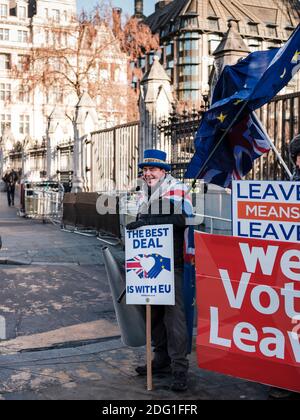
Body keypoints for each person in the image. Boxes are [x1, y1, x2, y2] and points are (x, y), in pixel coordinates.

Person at [126, 149, 192, 392]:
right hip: (147, 262)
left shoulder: (176, 189)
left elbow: (181, 220)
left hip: (170, 264)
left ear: (164, 171)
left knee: (175, 318)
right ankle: (161, 359)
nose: (147, 173)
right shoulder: (143, 193)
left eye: (152, 169)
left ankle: (179, 368)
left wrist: (145, 222)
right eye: (144, 170)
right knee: (152, 315)